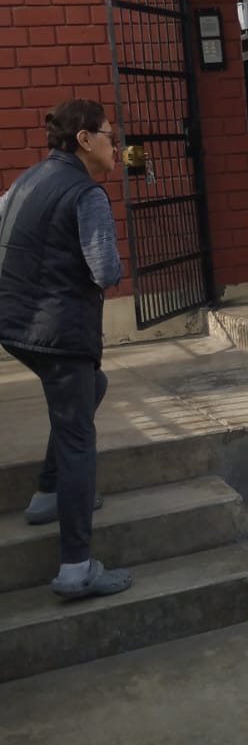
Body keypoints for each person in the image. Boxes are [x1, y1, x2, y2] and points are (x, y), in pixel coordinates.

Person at [0, 99, 132, 601]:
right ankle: (76, 569)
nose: (115, 146)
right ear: (84, 140)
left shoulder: (29, 179)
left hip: (15, 326)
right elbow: (105, 271)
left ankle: (46, 495)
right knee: (79, 440)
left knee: (90, 388)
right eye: (109, 136)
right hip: (58, 332)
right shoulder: (86, 193)